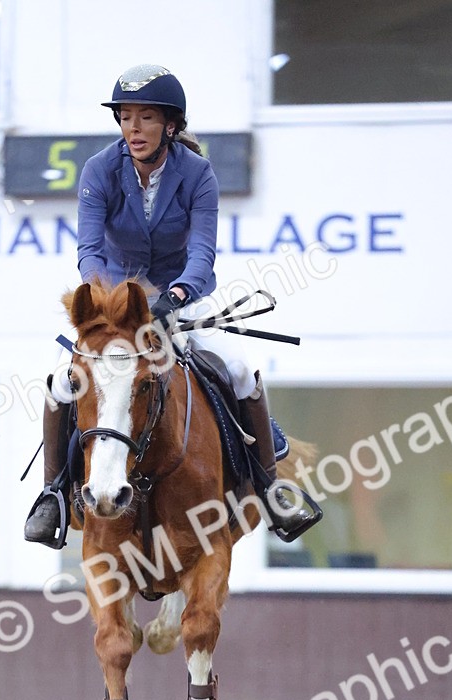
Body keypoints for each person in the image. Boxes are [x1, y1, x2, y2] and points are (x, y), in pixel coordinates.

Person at [24, 63, 283, 545]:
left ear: (171, 125)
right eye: (125, 117)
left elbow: (204, 250)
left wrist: (178, 295)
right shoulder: (99, 169)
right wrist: (108, 302)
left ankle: (269, 487)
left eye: (145, 118)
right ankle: (54, 496)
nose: (133, 129)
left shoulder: (198, 173)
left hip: (181, 300)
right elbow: (89, 251)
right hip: (117, 309)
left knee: (242, 370)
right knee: (62, 382)